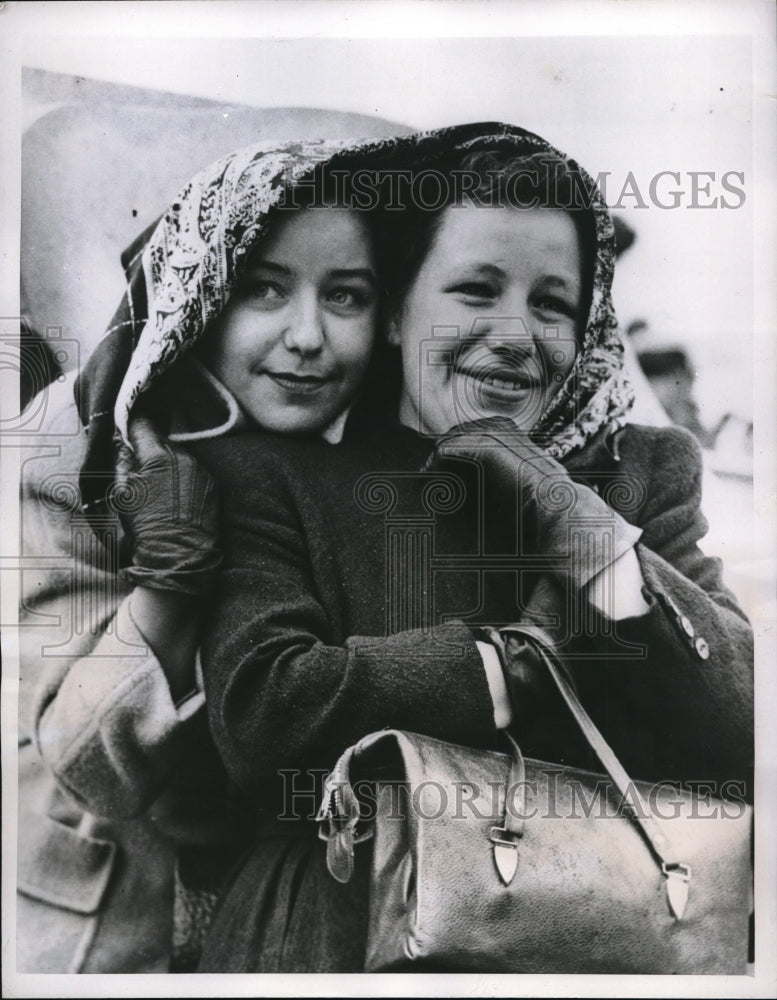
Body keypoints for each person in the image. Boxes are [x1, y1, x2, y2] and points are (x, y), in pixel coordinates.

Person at [188, 123, 754, 972]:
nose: (518, 334)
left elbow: (743, 724)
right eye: (475, 290)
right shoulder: (272, 476)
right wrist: (516, 663)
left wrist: (576, 522)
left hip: (593, 945)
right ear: (393, 312)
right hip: (335, 938)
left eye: (551, 303)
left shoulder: (638, 472)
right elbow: (264, 714)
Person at [17, 134, 402, 973]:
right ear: (196, 294)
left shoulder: (381, 459)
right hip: (109, 925)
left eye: (346, 295)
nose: (308, 336)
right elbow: (85, 766)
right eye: (262, 287)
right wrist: (169, 590)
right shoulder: (76, 445)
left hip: (304, 922)